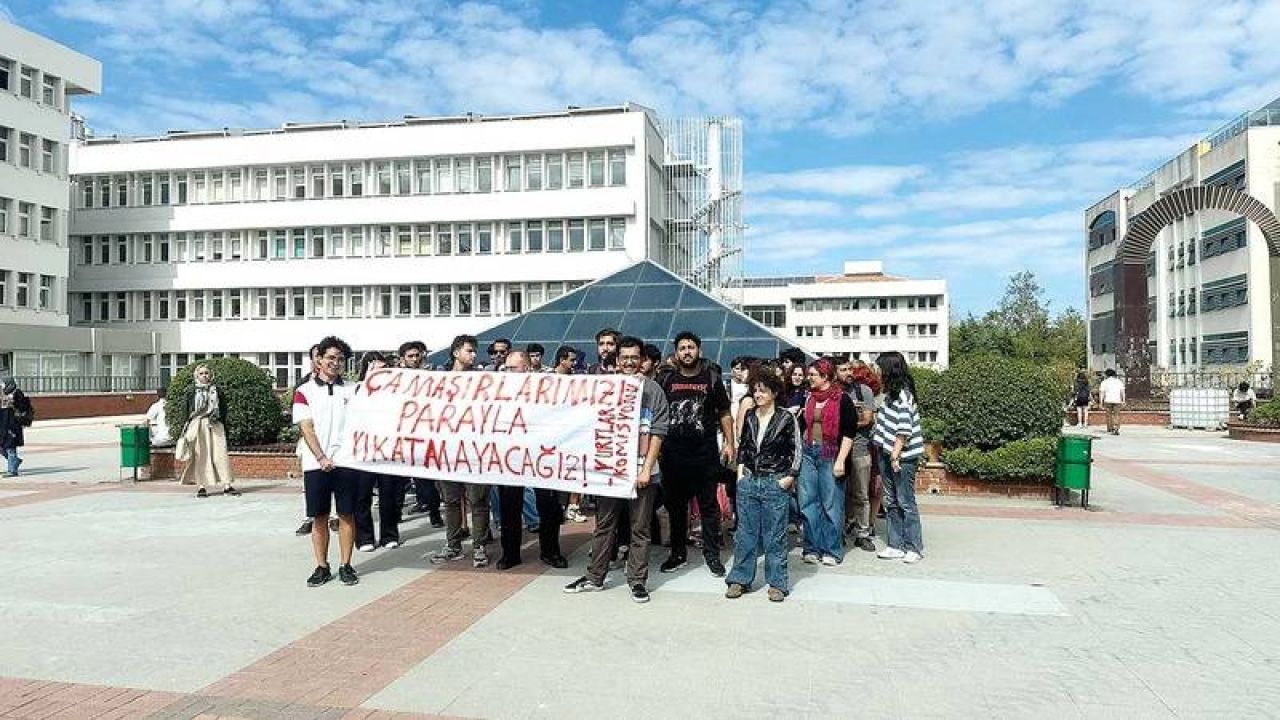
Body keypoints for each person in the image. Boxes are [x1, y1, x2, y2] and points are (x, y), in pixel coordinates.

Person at [565, 335, 669, 602]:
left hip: (642, 470)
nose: (629, 362)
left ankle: (637, 580)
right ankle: (595, 576)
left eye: (635, 358)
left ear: (642, 360)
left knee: (640, 529)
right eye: (625, 358)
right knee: (604, 526)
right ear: (617, 360)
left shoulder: (653, 390)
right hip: (609, 471)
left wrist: (646, 469)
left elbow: (658, 432)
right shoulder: (604, 388)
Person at [657, 331, 733, 577]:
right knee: (676, 508)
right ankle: (677, 553)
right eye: (682, 348)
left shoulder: (711, 377)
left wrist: (730, 443)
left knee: (709, 507)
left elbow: (724, 413)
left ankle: (712, 555)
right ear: (676, 352)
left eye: (691, 347)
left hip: (704, 455)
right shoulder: (666, 379)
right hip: (673, 456)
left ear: (699, 350)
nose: (687, 352)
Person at [726, 371, 801, 602]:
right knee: (745, 534)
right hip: (749, 480)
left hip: (774, 481)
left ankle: (777, 583)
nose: (757, 395)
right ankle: (739, 579)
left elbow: (796, 449)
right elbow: (744, 447)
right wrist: (740, 474)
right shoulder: (750, 415)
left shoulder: (786, 418)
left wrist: (789, 477)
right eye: (755, 390)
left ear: (774, 393)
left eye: (763, 391)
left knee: (775, 536)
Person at [294, 336, 360, 586]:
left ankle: (346, 564)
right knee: (319, 517)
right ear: (319, 359)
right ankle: (322, 566)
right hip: (316, 464)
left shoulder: (353, 389)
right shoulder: (304, 391)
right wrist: (321, 457)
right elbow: (306, 427)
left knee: (346, 514)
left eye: (341, 359)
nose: (335, 362)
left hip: (346, 461)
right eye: (331, 357)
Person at [495, 351, 568, 570]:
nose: (507, 372)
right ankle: (510, 554)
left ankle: (550, 551)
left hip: (541, 456)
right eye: (505, 368)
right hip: (511, 457)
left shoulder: (546, 390)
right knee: (509, 507)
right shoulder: (498, 392)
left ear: (526, 368)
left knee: (548, 506)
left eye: (512, 368)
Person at [428, 334, 494, 568]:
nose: (474, 355)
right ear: (456, 353)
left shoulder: (482, 381)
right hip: (448, 450)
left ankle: (479, 545)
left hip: (475, 450)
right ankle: (453, 544)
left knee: (478, 500)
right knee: (451, 500)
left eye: (475, 351)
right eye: (469, 350)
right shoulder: (439, 381)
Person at [797, 359, 855, 566]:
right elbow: (805, 425)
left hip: (830, 453)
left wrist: (841, 460)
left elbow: (849, 433)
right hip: (809, 452)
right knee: (807, 501)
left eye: (813, 375)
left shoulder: (842, 399)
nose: (809, 378)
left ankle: (831, 549)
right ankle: (811, 547)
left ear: (825, 376)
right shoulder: (809, 398)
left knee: (831, 503)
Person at [872, 351, 925, 565]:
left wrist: (895, 455)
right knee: (891, 500)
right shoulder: (890, 394)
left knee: (905, 501)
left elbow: (904, 429)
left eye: (879, 367)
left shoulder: (903, 395)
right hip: (887, 452)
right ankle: (895, 545)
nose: (876, 371)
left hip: (902, 456)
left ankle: (913, 547)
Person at [353, 352, 404, 551]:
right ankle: (364, 537)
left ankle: (389, 535)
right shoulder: (356, 390)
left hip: (387, 451)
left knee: (389, 494)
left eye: (384, 369)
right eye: (376, 369)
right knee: (362, 495)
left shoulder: (393, 392)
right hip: (363, 451)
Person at [176, 364, 240, 498]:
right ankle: (201, 487)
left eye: (206, 373)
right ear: (196, 375)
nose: (204, 376)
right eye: (201, 373)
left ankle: (227, 485)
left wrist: (223, 425)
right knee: (201, 456)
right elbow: (185, 411)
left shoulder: (217, 390)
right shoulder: (191, 391)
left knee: (220, 454)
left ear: (211, 375)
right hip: (198, 424)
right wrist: (185, 428)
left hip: (215, 424)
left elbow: (224, 410)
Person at [399, 340, 443, 527]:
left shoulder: (430, 377)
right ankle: (395, 513)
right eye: (410, 356)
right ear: (403, 359)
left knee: (426, 478)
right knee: (398, 479)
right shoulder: (397, 379)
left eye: (417, 355)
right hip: (402, 435)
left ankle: (434, 512)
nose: (415, 359)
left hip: (424, 434)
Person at [838, 360, 877, 552]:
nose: (848, 373)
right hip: (837, 450)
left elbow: (867, 419)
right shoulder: (834, 393)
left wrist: (843, 423)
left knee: (861, 493)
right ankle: (842, 529)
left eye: (850, 369)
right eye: (843, 370)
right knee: (839, 493)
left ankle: (863, 533)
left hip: (860, 448)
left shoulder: (864, 391)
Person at [294, 344, 323, 536]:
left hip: (334, 441)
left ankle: (334, 517)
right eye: (316, 356)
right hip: (309, 439)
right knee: (309, 483)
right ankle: (309, 517)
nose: (320, 359)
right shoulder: (303, 385)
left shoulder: (341, 385)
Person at [0, 379, 33, 477]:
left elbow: (23, 407)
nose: (2, 386)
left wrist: (13, 403)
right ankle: (15, 461)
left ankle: (12, 470)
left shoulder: (17, 393)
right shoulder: (2, 393)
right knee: (2, 447)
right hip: (3, 423)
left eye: (4, 384)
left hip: (12, 424)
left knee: (11, 446)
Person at [1099, 369, 1126, 435]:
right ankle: (1116, 428)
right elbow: (1122, 392)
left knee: (1109, 415)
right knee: (1116, 414)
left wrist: (1101, 402)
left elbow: (1102, 393)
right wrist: (1123, 400)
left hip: (1108, 400)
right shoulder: (1119, 381)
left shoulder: (1104, 382)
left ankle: (1110, 428)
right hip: (1117, 400)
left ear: (1107, 375)